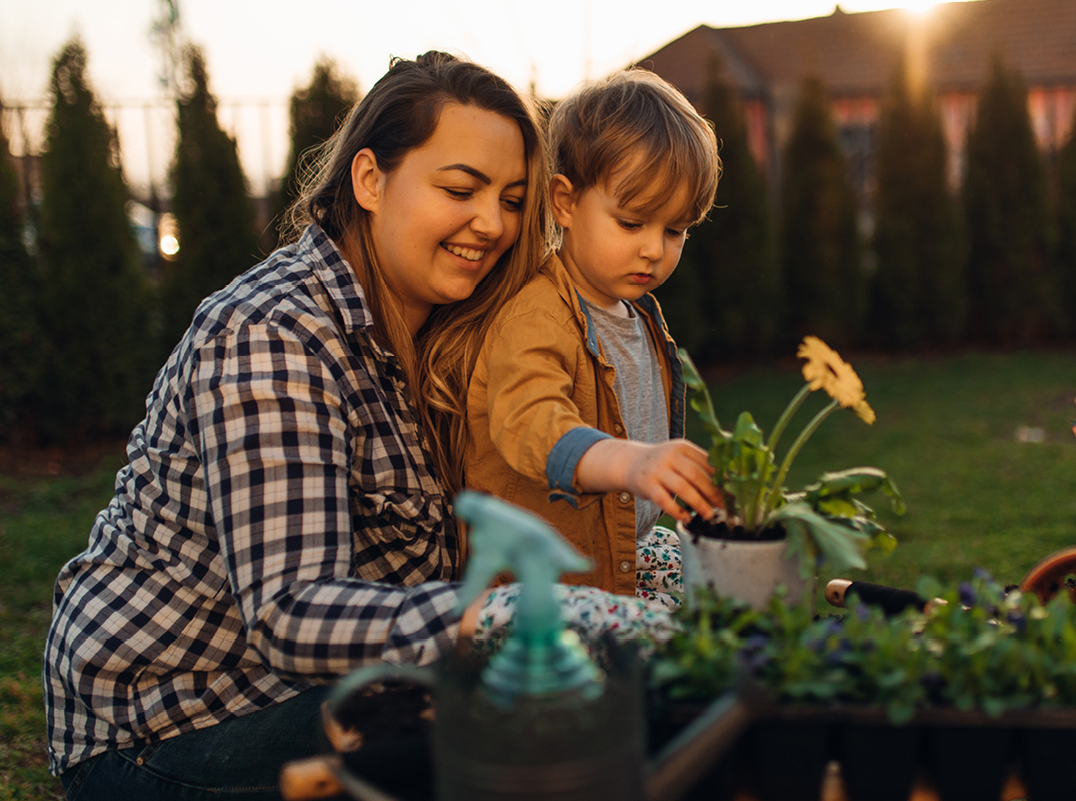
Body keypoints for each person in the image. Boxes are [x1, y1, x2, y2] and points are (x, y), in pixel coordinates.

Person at [44, 53, 674, 801]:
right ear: (369, 180)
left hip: (321, 689)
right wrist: (511, 613)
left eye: (511, 199)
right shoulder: (271, 335)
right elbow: (292, 613)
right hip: (172, 727)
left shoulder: (446, 327)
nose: (494, 224)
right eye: (460, 189)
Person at [463, 68, 723, 600]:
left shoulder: (638, 315)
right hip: (545, 580)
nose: (654, 248)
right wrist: (633, 463)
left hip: (621, 550)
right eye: (632, 223)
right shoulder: (538, 315)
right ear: (565, 202)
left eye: (675, 230)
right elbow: (530, 422)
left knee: (737, 583)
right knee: (679, 657)